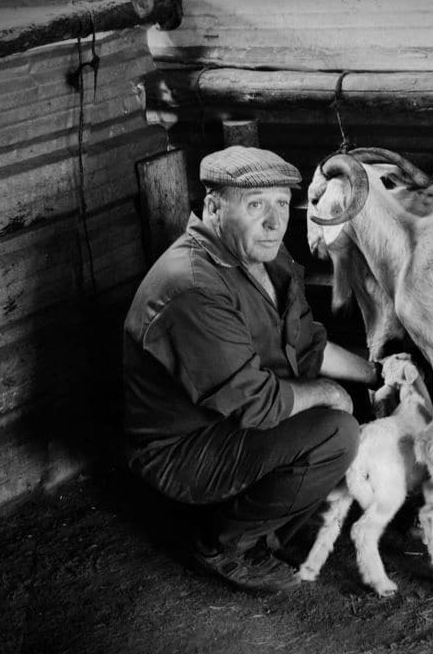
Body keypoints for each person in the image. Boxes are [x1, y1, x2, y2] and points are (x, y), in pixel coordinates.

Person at [122, 145, 381, 593]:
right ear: (214, 207)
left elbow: (306, 343)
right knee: (337, 433)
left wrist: (377, 374)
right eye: (256, 204)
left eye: (281, 204)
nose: (274, 221)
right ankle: (221, 542)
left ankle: (264, 525)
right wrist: (329, 394)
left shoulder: (268, 258)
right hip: (182, 447)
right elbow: (257, 405)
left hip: (231, 417)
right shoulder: (192, 287)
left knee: (339, 416)